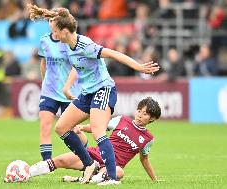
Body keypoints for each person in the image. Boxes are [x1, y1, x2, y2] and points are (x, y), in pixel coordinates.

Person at [28, 4, 160, 185]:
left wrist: (137, 66)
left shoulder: (86, 45)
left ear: (65, 31)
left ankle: (113, 178)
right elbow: (78, 66)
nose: (54, 36)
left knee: (98, 130)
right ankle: (89, 164)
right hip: (88, 92)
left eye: (56, 32)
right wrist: (67, 87)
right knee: (61, 127)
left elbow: (113, 53)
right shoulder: (67, 45)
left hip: (104, 89)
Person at [25, 97, 161, 185]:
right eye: (139, 111)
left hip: (111, 166)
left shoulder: (148, 139)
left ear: (152, 119)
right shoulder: (122, 120)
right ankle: (25, 173)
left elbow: (144, 160)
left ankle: (86, 178)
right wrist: (82, 127)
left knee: (119, 172)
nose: (140, 115)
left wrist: (154, 180)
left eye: (145, 114)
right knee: (59, 161)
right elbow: (98, 127)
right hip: (94, 155)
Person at [35, 10, 80, 161]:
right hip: (49, 92)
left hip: (69, 93)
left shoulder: (68, 41)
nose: (50, 23)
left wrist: (69, 86)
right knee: (45, 127)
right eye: (48, 20)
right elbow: (43, 63)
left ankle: (86, 154)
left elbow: (76, 66)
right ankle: (46, 163)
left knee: (70, 131)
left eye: (53, 20)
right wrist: (44, 83)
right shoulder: (44, 41)